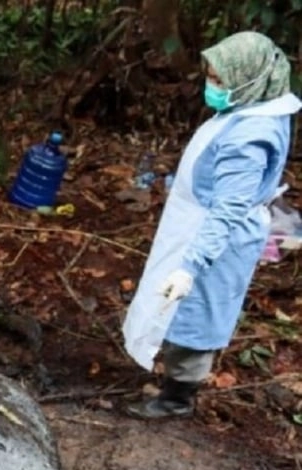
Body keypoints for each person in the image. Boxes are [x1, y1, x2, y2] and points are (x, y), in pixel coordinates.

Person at [122, 31, 301, 419]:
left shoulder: (252, 135)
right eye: (212, 77)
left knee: (195, 312)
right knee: (176, 306)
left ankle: (177, 398)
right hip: (195, 223)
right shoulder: (255, 107)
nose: (212, 86)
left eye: (220, 80)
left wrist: (191, 266)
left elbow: (228, 208)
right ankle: (169, 376)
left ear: (250, 78)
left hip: (215, 239)